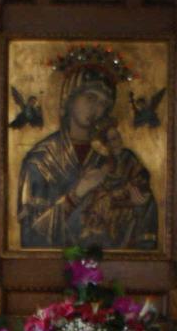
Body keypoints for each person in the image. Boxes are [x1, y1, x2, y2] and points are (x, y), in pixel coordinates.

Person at [15, 64, 158, 251]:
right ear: (70, 97)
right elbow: (31, 235)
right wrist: (77, 194)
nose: (96, 109)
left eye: (103, 104)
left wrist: (140, 206)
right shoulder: (42, 160)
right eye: (90, 98)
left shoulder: (121, 158)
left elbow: (144, 223)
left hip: (115, 269)